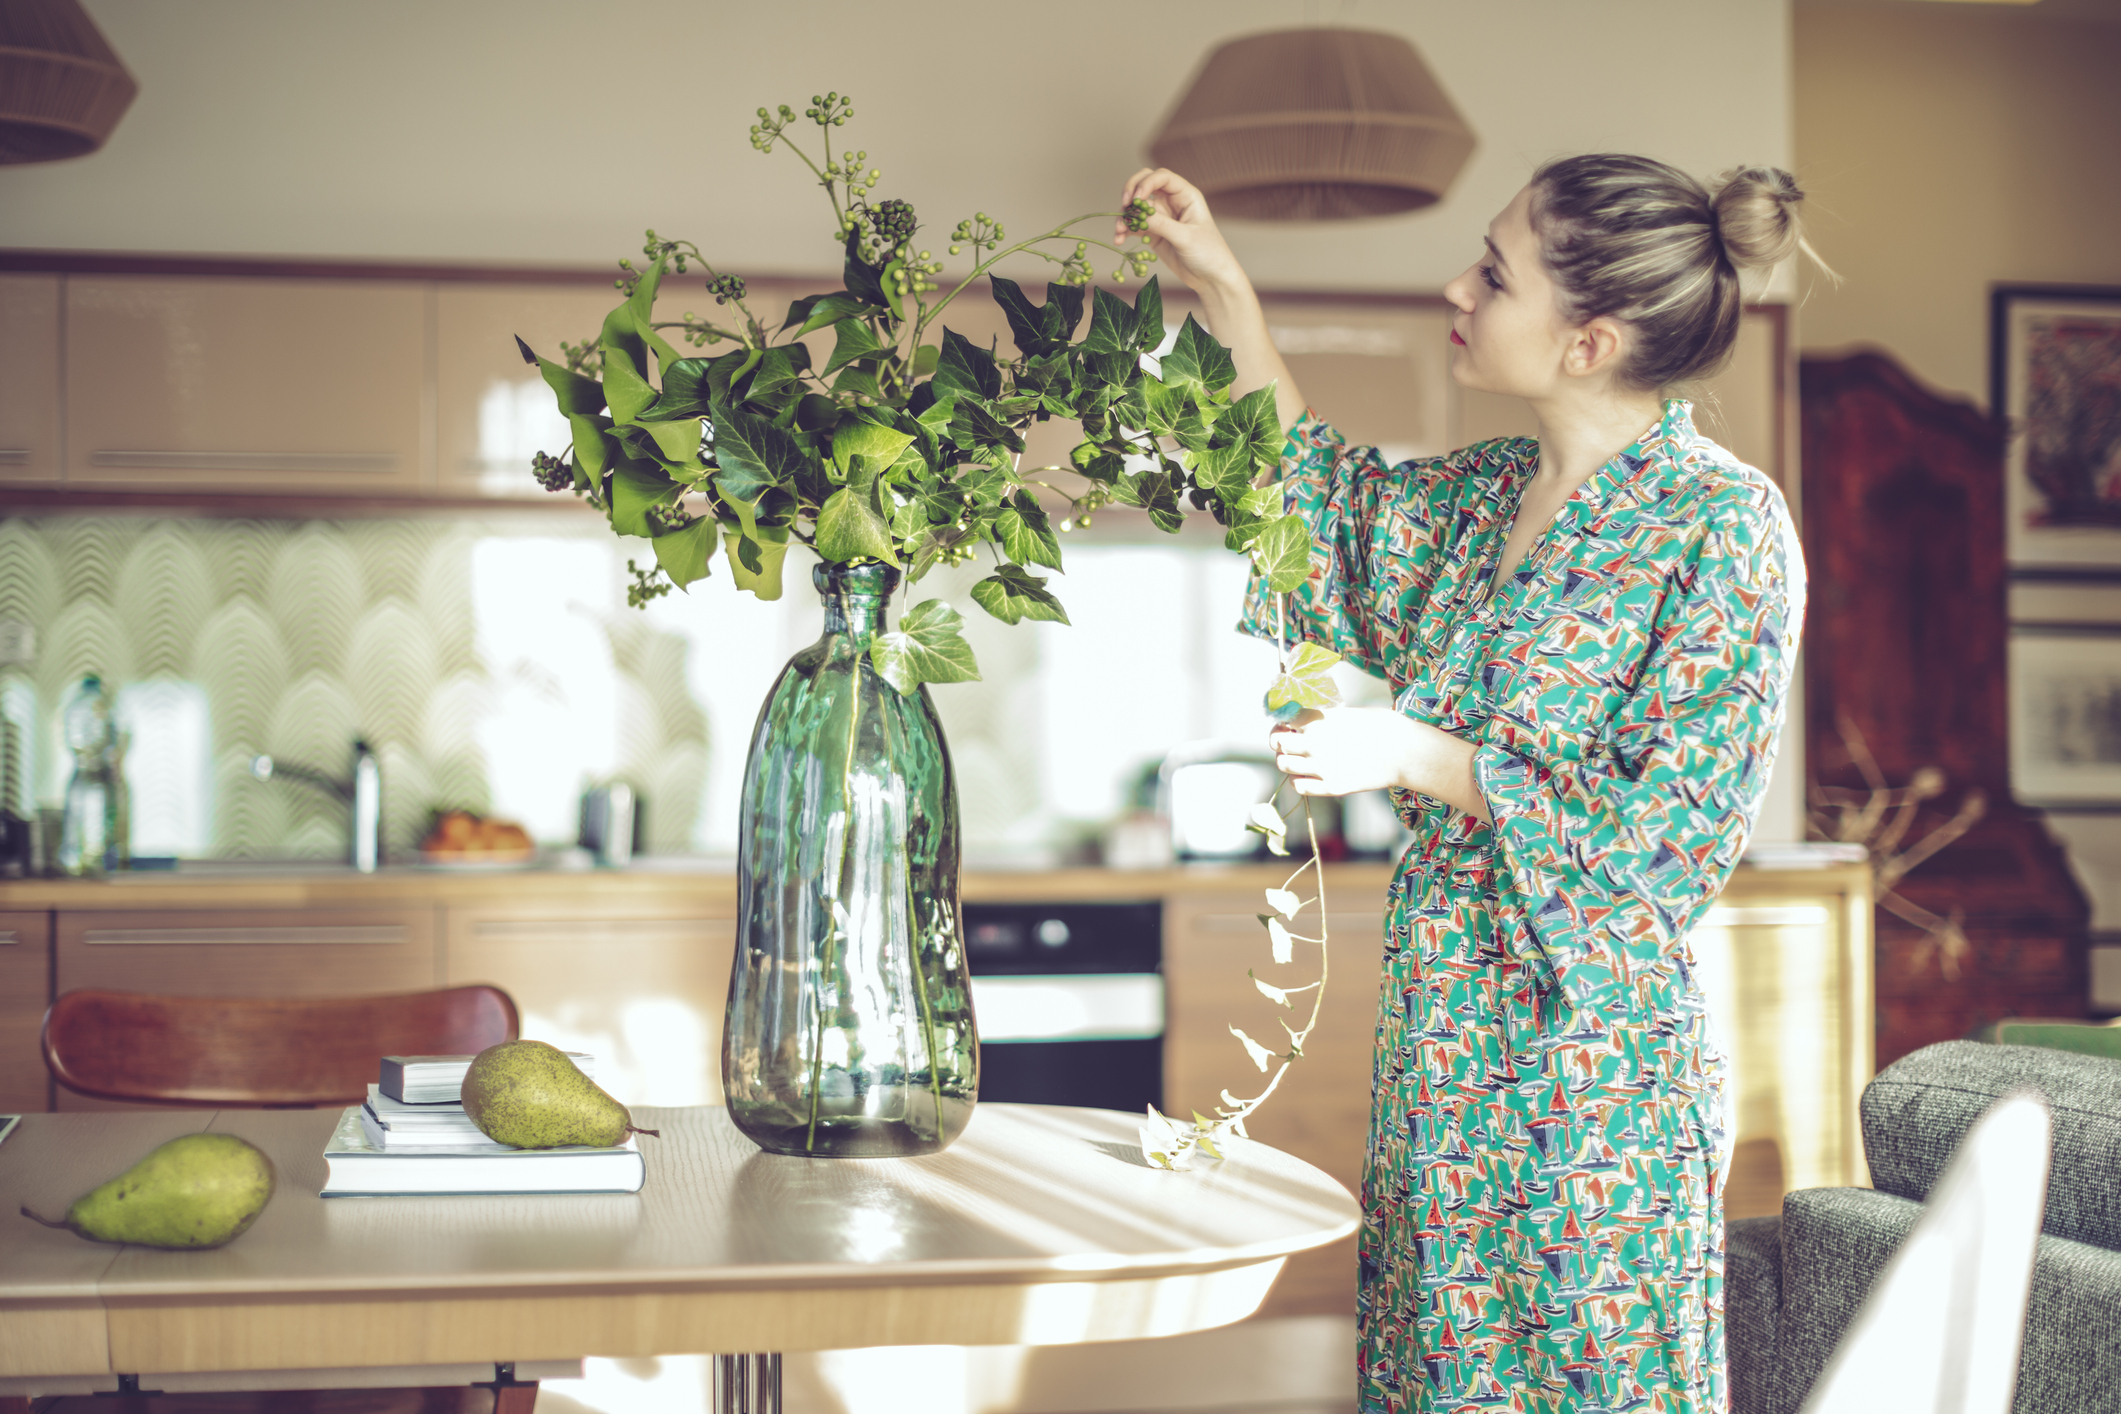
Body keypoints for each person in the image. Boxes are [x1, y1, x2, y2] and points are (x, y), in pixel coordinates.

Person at [1118, 155, 1815, 1412]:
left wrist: (1413, 755)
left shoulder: (1725, 529)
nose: (1457, 283)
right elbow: (1323, 505)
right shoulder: (1486, 496)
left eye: (1495, 272)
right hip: (1437, 1061)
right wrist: (1224, 291)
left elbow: (1670, 846)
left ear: (1589, 340)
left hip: (1590, 1088)